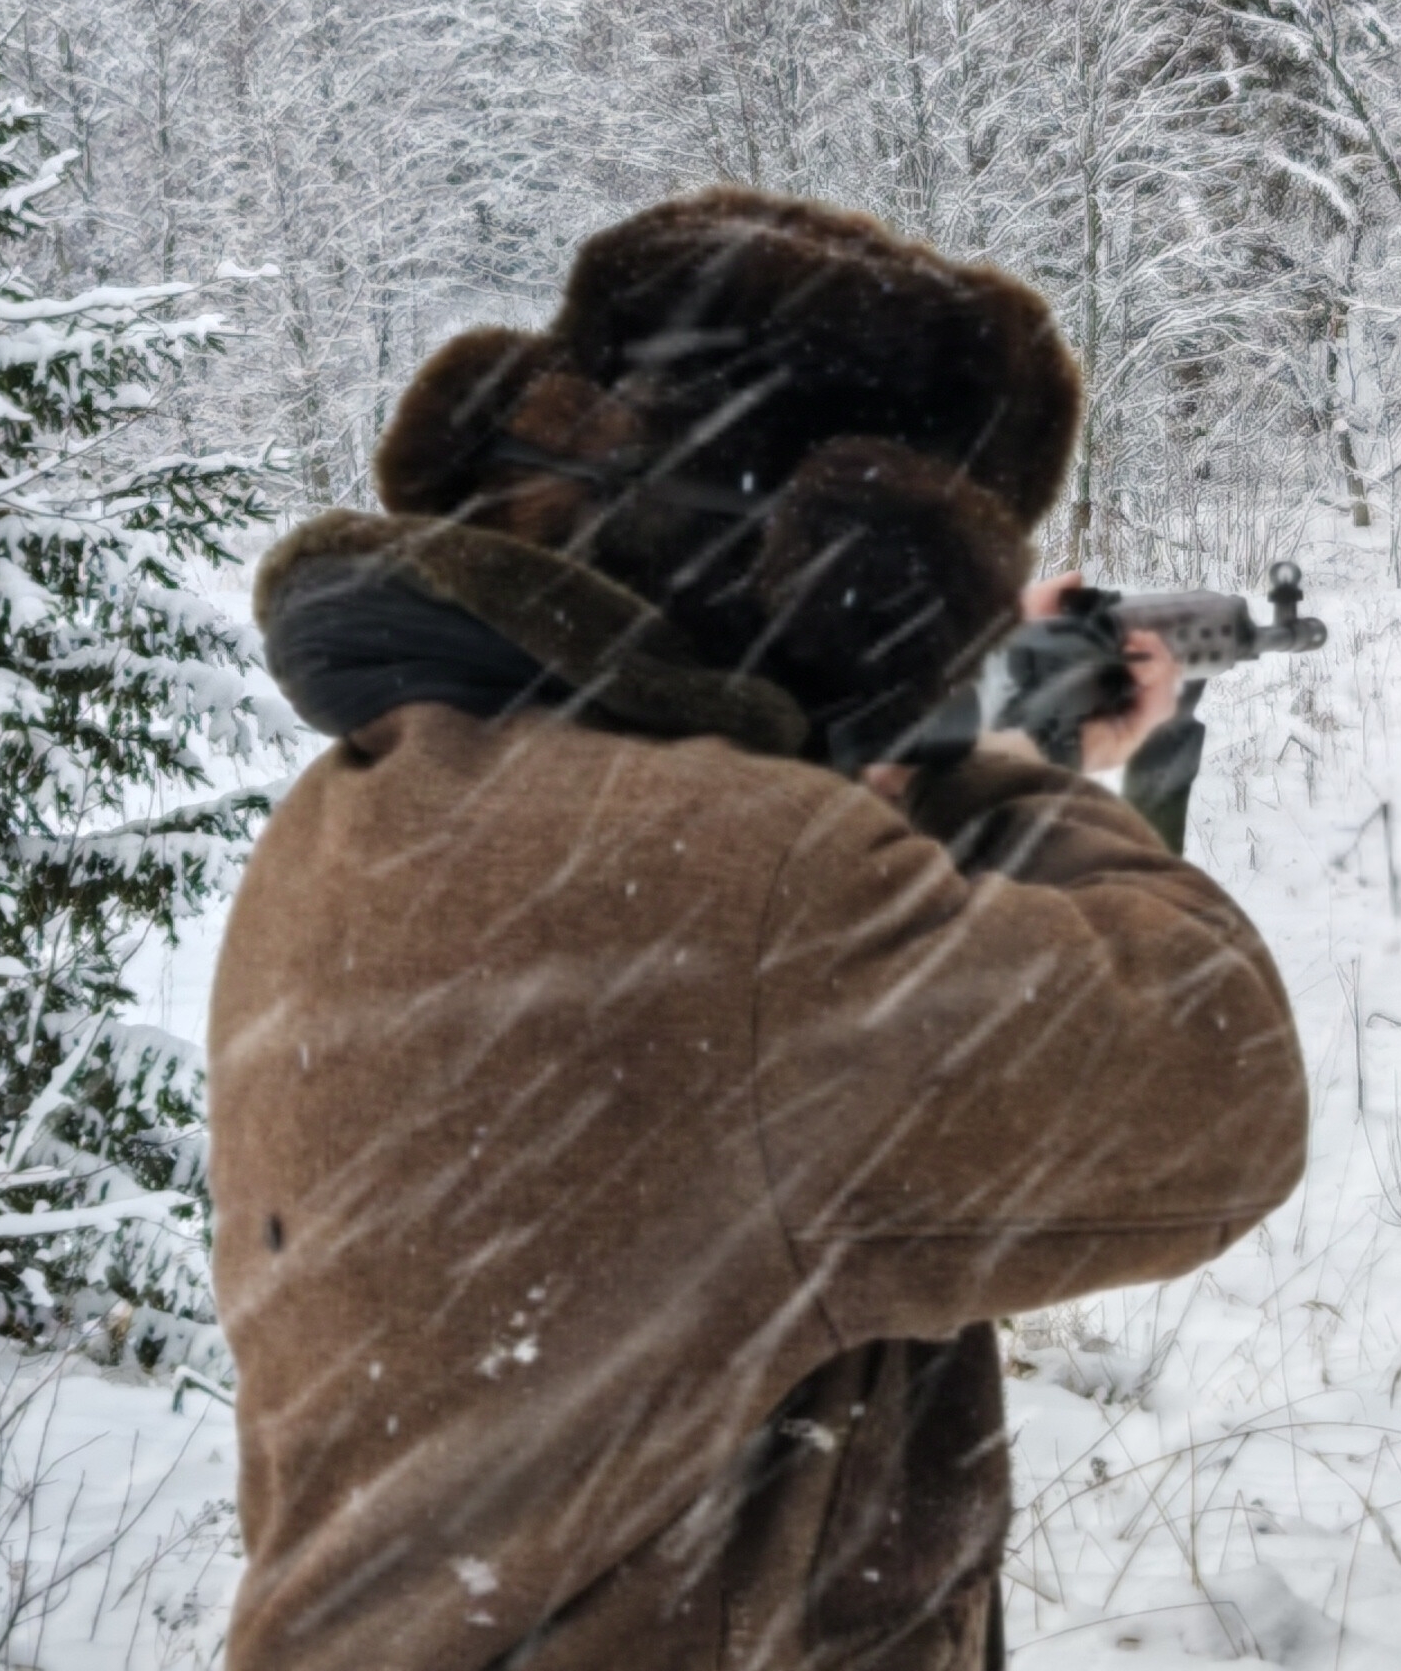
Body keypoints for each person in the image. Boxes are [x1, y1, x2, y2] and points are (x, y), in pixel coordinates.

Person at [207, 189, 1305, 1670]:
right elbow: (1220, 1077)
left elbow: (742, 1069)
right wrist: (1014, 771)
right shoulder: (747, 902)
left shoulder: (371, 810)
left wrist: (919, 753)